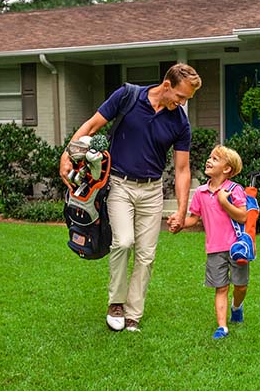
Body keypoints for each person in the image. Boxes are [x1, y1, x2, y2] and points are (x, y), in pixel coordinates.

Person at [59, 63, 202, 332]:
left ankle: (134, 314)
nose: (183, 103)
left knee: (146, 255)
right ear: (167, 85)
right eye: (181, 97)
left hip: (152, 190)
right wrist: (67, 154)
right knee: (123, 242)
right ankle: (116, 303)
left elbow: (182, 169)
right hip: (119, 185)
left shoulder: (180, 121)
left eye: (187, 100)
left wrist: (182, 211)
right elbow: (92, 125)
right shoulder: (128, 96)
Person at [174, 145, 249, 339]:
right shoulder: (200, 192)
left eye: (215, 159)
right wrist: (181, 223)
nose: (209, 160)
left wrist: (225, 202)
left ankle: (237, 306)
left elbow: (243, 217)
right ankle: (222, 327)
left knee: (240, 286)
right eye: (210, 157)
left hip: (237, 248)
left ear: (227, 169)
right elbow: (194, 218)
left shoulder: (235, 190)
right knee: (221, 287)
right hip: (214, 248)